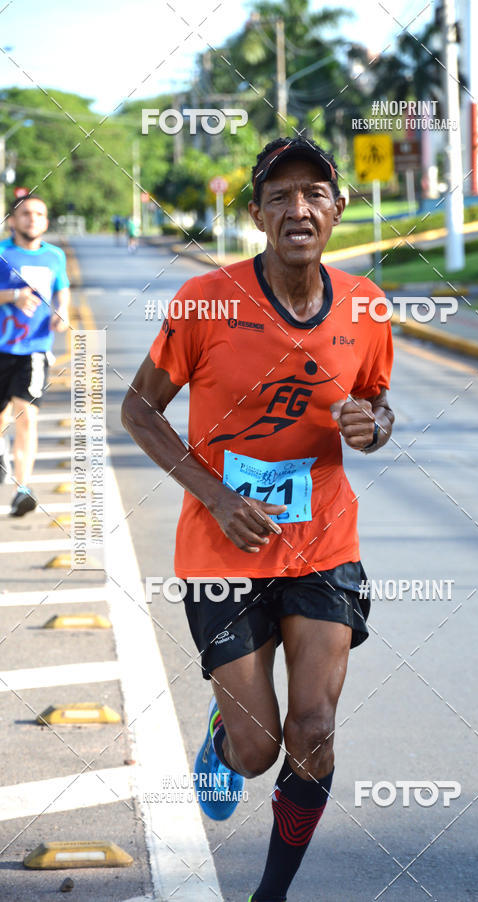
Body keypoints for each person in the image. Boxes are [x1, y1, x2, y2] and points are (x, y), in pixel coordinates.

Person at [121, 136, 394, 901]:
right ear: (256, 215)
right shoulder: (205, 304)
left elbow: (374, 403)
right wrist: (214, 495)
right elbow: (139, 408)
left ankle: (269, 894)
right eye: (280, 196)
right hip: (221, 552)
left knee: (312, 731)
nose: (298, 208)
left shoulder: (368, 305)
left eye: (314, 193)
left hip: (322, 545)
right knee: (257, 749)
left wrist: (375, 425)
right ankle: (222, 734)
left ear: (337, 211)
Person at [0, 195, 70, 516]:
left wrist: (62, 311)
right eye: (26, 213)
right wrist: (13, 296)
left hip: (34, 351)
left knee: (26, 416)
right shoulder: (2, 253)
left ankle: (22, 489)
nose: (33, 219)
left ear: (46, 221)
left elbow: (62, 289)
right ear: (12, 220)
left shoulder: (55, 256)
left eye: (39, 214)